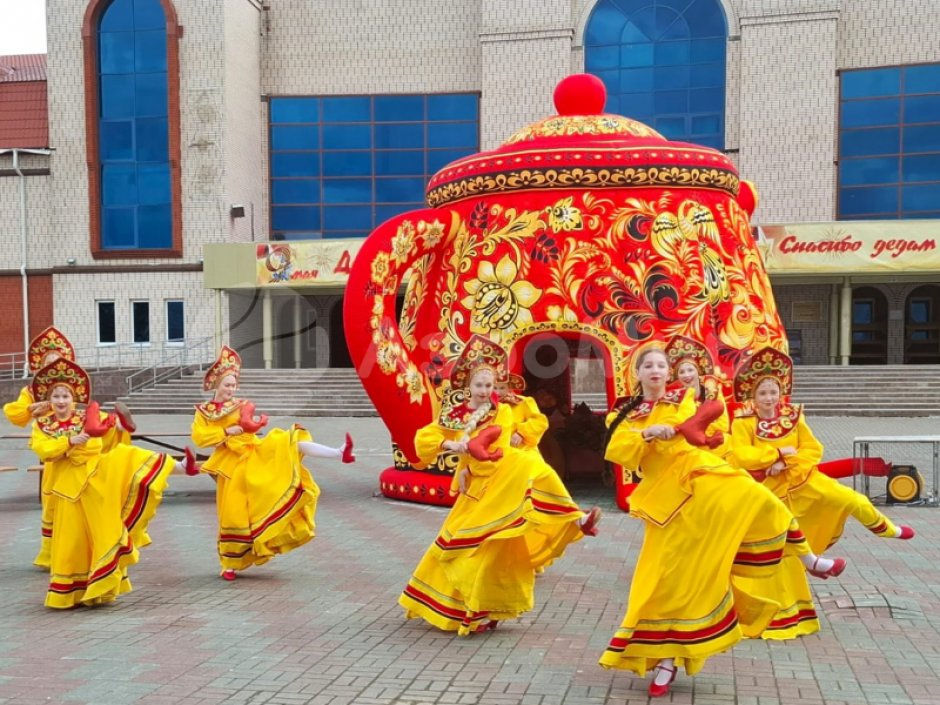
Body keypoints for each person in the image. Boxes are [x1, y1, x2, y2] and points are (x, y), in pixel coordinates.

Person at [600, 344, 846, 698]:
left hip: (698, 477)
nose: (655, 370)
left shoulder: (680, 399)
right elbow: (619, 450)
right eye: (648, 365)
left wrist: (670, 431)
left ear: (667, 373)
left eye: (661, 365)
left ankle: (811, 559)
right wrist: (646, 434)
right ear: (636, 374)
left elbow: (685, 430)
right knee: (668, 582)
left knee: (758, 496)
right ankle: (667, 660)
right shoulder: (622, 414)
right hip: (664, 502)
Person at [399, 335, 602, 636]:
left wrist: (521, 433)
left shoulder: (504, 408)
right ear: (467, 386)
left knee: (534, 468)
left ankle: (575, 517)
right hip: (479, 487)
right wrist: (454, 448)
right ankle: (466, 606)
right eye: (479, 385)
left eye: (489, 385)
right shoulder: (455, 413)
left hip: (505, 472)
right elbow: (424, 439)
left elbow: (528, 426)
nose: (485, 391)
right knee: (475, 550)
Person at [729, 347, 913, 638]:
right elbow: (739, 456)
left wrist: (786, 461)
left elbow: (813, 449)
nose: (768, 398)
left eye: (773, 392)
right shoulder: (743, 422)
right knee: (782, 550)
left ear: (781, 392)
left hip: (805, 481)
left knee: (851, 498)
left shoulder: (794, 416)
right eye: (762, 393)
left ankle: (887, 529)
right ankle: (783, 611)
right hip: (769, 492)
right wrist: (773, 456)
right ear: (753, 395)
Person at [190, 345, 355, 581]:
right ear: (216, 384)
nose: (231, 389)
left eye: (234, 384)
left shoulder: (240, 404)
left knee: (288, 441)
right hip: (230, 463)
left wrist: (255, 424)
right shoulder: (203, 412)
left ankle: (339, 452)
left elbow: (252, 426)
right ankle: (230, 563)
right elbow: (199, 438)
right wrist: (227, 430)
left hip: (252, 450)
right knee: (233, 513)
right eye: (227, 384)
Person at [28, 357, 174, 608]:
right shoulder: (43, 424)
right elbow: (43, 450)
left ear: (74, 398)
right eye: (56, 397)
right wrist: (69, 442)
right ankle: (69, 591)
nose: (61, 401)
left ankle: (100, 586)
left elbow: (107, 441)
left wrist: (118, 426)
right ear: (49, 400)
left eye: (66, 396)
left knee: (99, 533)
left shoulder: (86, 418)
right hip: (63, 487)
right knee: (70, 540)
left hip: (92, 482)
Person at [665, 335, 732, 458]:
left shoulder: (712, 391)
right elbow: (675, 425)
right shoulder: (675, 399)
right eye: (681, 372)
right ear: (677, 377)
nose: (687, 375)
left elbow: (724, 424)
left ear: (698, 371)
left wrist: (702, 433)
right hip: (688, 447)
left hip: (715, 443)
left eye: (690, 370)